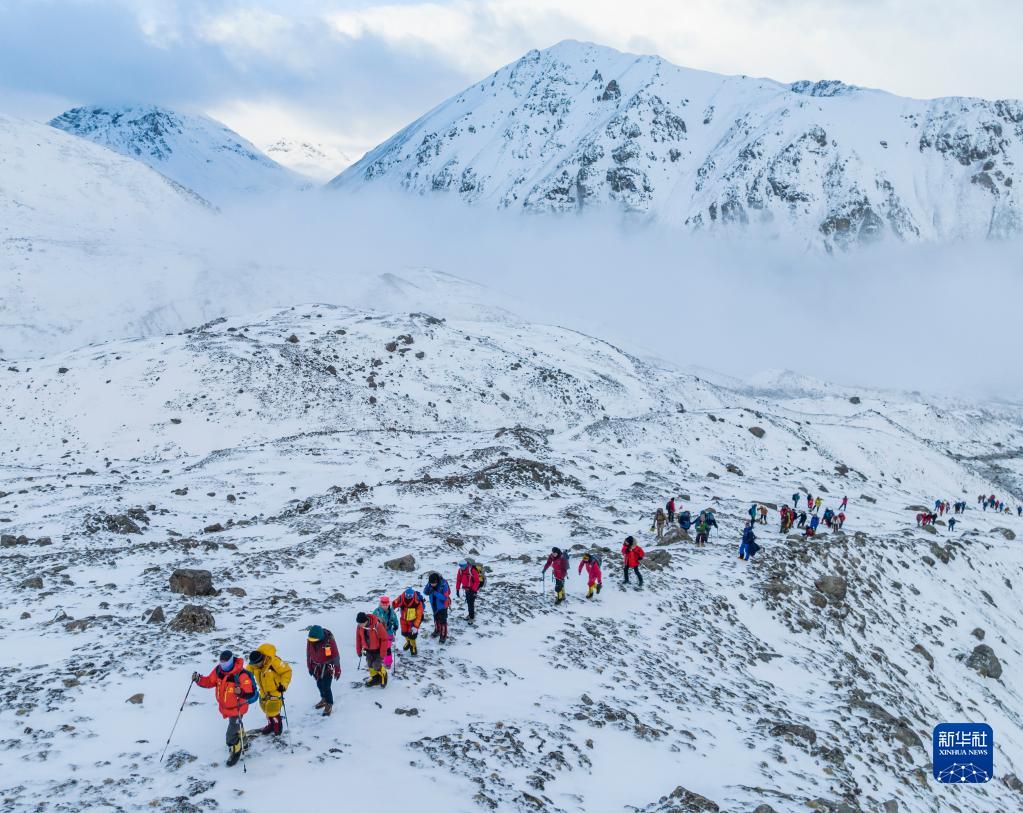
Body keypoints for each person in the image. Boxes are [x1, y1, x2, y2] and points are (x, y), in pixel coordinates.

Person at [192, 650, 257, 767]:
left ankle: (236, 750)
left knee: (230, 735)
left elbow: (250, 693)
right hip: (226, 708)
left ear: (232, 661)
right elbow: (209, 681)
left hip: (238, 709)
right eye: (221, 663)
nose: (223, 665)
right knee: (235, 725)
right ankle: (244, 742)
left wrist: (241, 692)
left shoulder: (241, 675)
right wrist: (198, 679)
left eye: (226, 663)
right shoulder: (218, 671)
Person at [247, 643, 292, 736]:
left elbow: (287, 672)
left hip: (276, 691)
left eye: (257, 664)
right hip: (263, 692)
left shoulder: (274, 661)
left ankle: (277, 728)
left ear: (262, 659)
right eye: (254, 664)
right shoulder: (254, 664)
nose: (255, 666)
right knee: (266, 710)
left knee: (273, 712)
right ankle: (271, 725)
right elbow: (246, 673)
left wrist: (283, 685)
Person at [306, 624, 341, 716]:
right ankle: (324, 699)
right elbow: (308, 654)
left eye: (314, 640)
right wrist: (309, 667)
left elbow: (336, 656)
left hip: (327, 667)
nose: (312, 641)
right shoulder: (310, 640)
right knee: (319, 685)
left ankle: (329, 703)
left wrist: (337, 670)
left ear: (320, 637)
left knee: (326, 686)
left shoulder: (329, 641)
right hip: (316, 667)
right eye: (311, 640)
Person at [355, 611, 390, 687]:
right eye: (359, 623)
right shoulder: (359, 627)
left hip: (378, 650)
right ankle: (375, 678)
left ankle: (384, 675)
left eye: (361, 623)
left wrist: (383, 653)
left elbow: (384, 639)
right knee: (370, 664)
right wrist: (358, 650)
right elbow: (358, 639)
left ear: (366, 621)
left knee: (376, 665)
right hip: (368, 650)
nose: (360, 625)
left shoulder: (377, 625)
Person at [394, 588, 425, 655]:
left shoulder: (417, 602)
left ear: (413, 595)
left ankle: (413, 646)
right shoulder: (401, 598)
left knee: (412, 635)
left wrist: (416, 626)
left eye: (410, 596)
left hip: (413, 621)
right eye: (407, 595)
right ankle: (408, 642)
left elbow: (419, 616)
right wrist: (390, 607)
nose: (408, 597)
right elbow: (395, 603)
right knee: (405, 633)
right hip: (403, 620)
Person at [423, 572, 451, 642]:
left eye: (434, 583)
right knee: (436, 618)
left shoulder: (443, 585)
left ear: (437, 581)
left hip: (443, 606)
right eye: (431, 583)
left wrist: (435, 593)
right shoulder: (430, 583)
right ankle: (437, 630)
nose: (432, 585)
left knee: (443, 621)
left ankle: (443, 635)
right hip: (434, 604)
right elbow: (425, 592)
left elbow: (445, 597)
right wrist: (428, 586)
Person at [373, 596, 399, 668]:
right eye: (383, 605)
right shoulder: (376, 612)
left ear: (388, 604)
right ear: (380, 604)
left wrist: (395, 626)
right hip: (379, 633)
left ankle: (388, 663)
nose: (385, 606)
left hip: (389, 632)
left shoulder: (392, 612)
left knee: (387, 648)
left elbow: (395, 620)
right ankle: (381, 659)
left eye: (386, 605)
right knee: (380, 648)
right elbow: (373, 621)